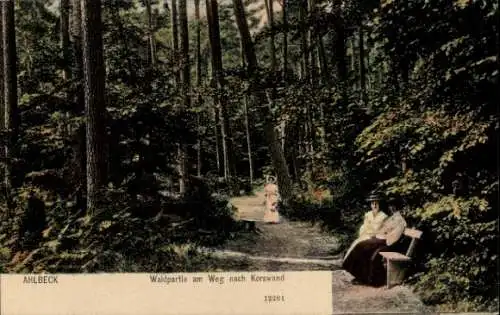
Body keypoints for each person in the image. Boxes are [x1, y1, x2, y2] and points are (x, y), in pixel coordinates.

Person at [342, 194, 408, 286]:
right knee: (361, 246)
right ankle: (359, 275)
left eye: (394, 207)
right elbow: (383, 229)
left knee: (365, 248)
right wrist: (380, 234)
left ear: (397, 208)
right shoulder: (392, 218)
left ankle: (371, 280)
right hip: (380, 239)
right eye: (391, 207)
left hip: (388, 243)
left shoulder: (400, 221)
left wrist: (384, 237)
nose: (392, 209)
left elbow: (394, 237)